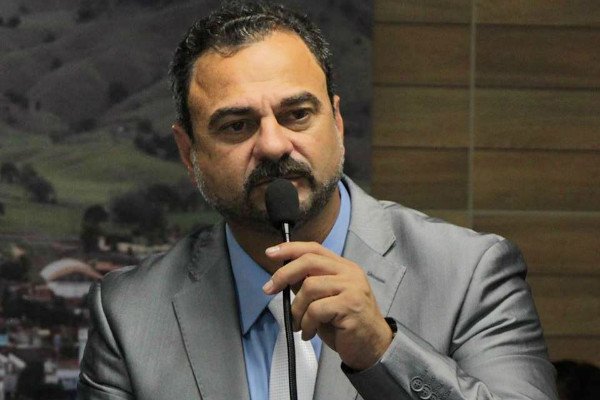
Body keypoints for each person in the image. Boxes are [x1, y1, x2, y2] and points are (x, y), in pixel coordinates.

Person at [78, 2, 558, 399]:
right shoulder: (130, 313)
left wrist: (383, 352)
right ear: (189, 153)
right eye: (237, 125)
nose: (273, 145)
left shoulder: (469, 274)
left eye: (297, 114)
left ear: (337, 122)